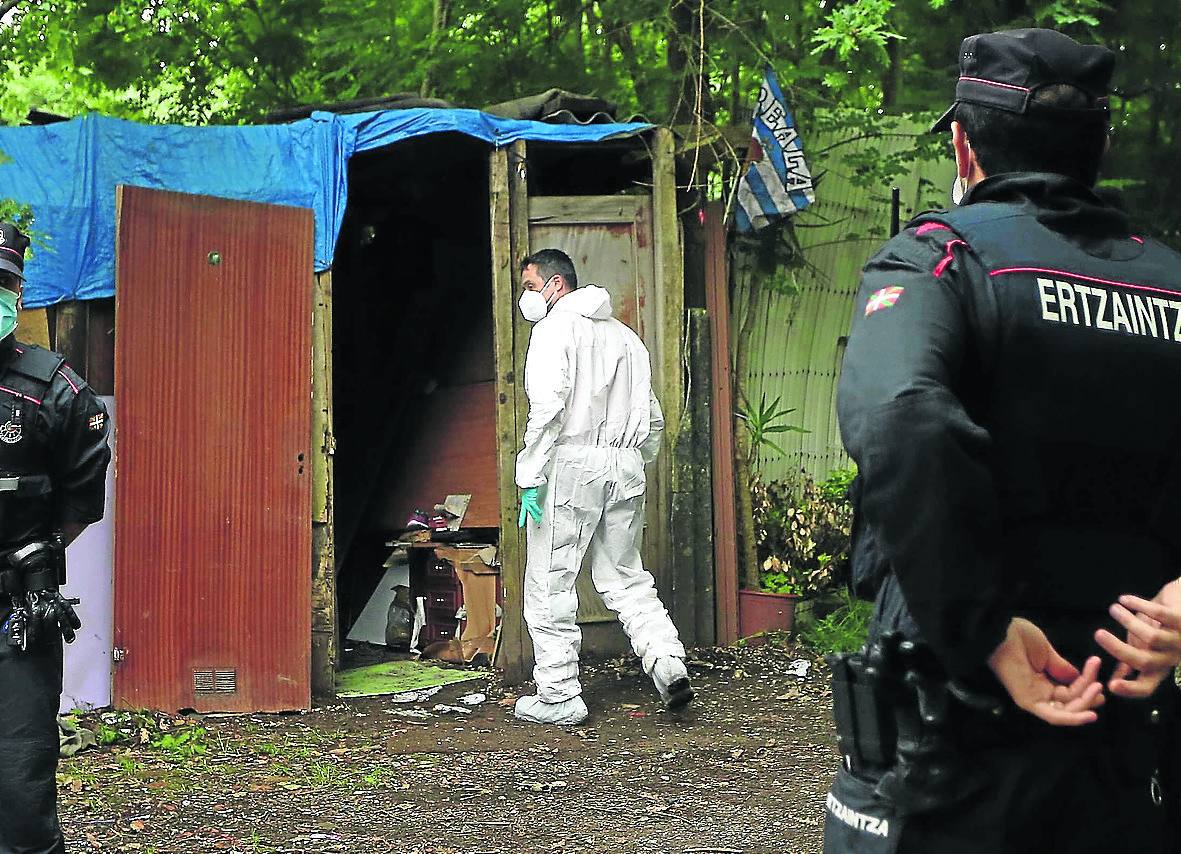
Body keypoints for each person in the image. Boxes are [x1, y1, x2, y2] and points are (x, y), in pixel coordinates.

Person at [823, 28, 1181, 853]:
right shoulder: (1170, 286)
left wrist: (981, 628)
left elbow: (901, 417)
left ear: (962, 143)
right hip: (1128, 765)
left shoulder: (941, 264)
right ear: (1097, 145)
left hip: (952, 758)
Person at [512, 248, 692, 725]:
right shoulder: (626, 337)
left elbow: (548, 410)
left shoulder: (554, 330)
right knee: (625, 574)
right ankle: (665, 658)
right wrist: (633, 462)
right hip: (625, 465)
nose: (525, 298)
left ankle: (558, 694)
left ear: (555, 285)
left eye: (529, 286)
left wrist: (529, 474)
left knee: (551, 580)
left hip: (572, 465)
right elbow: (652, 419)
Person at [0, 223, 111, 854]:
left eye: (4, 282)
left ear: (19, 290)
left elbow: (79, 503)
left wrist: (28, 556)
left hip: (15, 617)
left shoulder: (57, 392)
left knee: (19, 794)